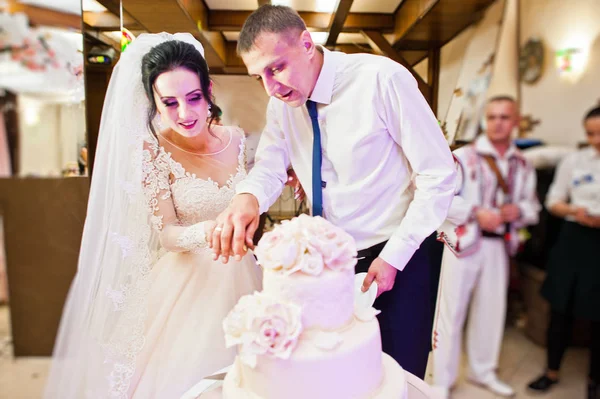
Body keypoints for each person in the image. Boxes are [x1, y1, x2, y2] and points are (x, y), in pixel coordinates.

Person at [207, 5, 456, 379]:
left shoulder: (381, 79)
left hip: (401, 254)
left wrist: (394, 257)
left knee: (396, 374)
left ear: (307, 43)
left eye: (276, 67)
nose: (271, 87)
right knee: (341, 374)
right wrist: (248, 199)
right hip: (332, 264)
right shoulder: (282, 104)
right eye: (260, 77)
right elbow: (271, 166)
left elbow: (439, 175)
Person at [43, 33, 262, 399]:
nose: (185, 113)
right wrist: (211, 231)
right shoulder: (152, 152)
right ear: (154, 102)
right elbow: (168, 235)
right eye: (170, 103)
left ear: (208, 91)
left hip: (243, 271)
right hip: (189, 283)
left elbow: (254, 193)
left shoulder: (238, 139)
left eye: (193, 98)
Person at [433, 96, 540, 398]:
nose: (497, 123)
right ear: (485, 120)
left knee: (492, 311)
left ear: (515, 121)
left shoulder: (522, 163)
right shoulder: (463, 157)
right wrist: (476, 211)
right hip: (463, 245)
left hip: (498, 247)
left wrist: (516, 211)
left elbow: (533, 206)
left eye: (504, 117)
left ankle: (483, 372)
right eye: (492, 117)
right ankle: (441, 379)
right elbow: (440, 199)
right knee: (451, 313)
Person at [527, 106, 600, 399]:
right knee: (560, 309)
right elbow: (553, 200)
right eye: (591, 133)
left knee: (598, 316)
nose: (596, 139)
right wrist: (574, 211)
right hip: (573, 240)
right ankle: (551, 371)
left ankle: (595, 380)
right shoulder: (575, 160)